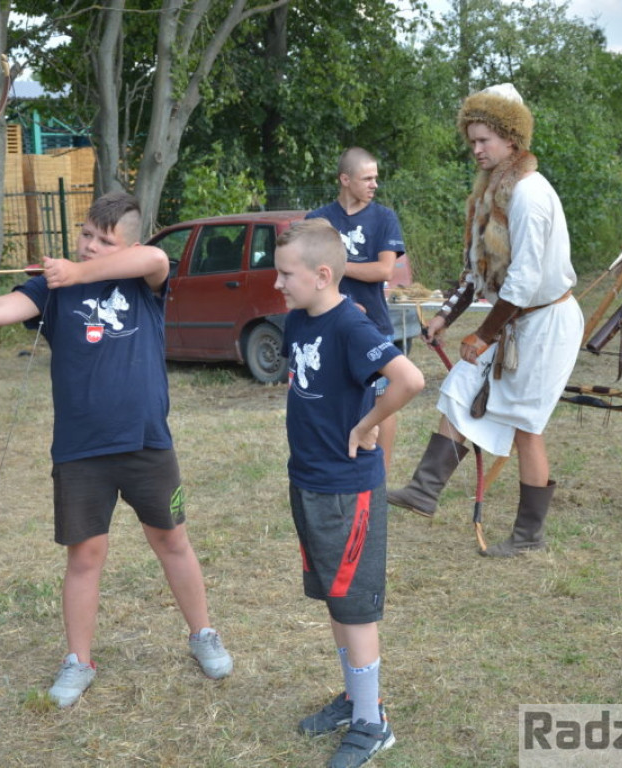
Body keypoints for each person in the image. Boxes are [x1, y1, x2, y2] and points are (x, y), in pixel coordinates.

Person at [0, 192, 232, 707]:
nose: (92, 246)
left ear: (128, 242)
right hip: (81, 449)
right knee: (86, 555)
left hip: (146, 441)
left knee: (172, 541)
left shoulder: (143, 282)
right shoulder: (52, 289)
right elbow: (0, 307)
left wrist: (77, 273)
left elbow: (158, 259)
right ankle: (79, 660)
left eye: (106, 239)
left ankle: (203, 633)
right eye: (86, 235)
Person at [387, 83, 584, 558]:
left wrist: (482, 333)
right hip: (513, 320)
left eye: (485, 140)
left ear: (511, 139)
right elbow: (477, 270)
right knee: (458, 391)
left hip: (545, 323)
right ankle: (424, 490)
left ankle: (528, 535)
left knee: (525, 425)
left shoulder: (530, 195)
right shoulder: (489, 191)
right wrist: (445, 318)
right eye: (471, 140)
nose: (476, 149)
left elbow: (524, 279)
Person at [275, 219, 424, 768]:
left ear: (320, 274)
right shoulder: (298, 322)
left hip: (346, 492)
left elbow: (408, 379)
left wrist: (366, 430)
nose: (277, 284)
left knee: (356, 608)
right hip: (308, 483)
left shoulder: (350, 326)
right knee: (337, 601)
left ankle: (372, 723)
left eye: (285, 274)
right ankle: (356, 698)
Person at [306, 147, 407, 473]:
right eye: (367, 178)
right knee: (333, 401)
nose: (374, 184)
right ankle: (339, 465)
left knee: (382, 404)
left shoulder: (384, 218)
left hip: (374, 326)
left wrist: (337, 264)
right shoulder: (318, 221)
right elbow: (308, 272)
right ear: (345, 179)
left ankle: (380, 476)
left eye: (376, 178)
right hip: (328, 326)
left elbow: (384, 270)